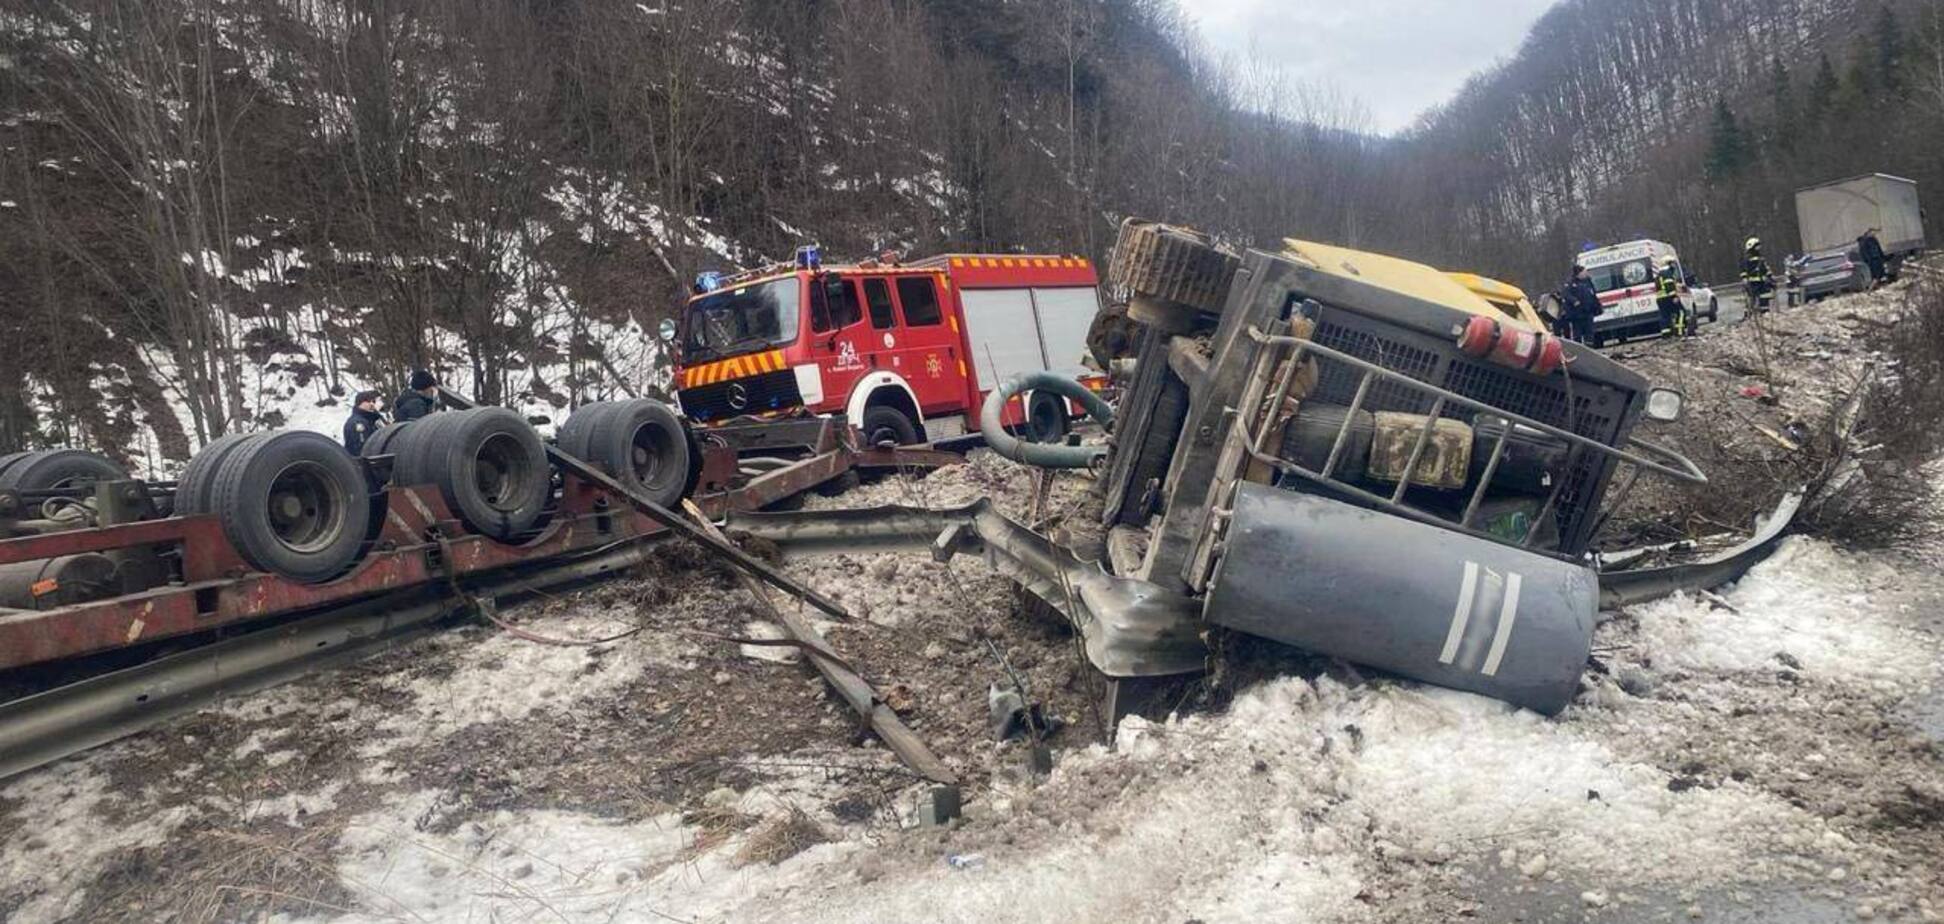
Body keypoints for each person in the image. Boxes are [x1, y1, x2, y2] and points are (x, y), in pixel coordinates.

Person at [1560, 264, 1602, 344]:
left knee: (1589, 333)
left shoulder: (1588, 282)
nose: (1586, 273)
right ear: (1579, 273)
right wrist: (1574, 301)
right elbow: (1566, 294)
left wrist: (1597, 306)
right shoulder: (1571, 283)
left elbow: (1593, 294)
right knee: (1577, 334)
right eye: (1584, 272)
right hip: (1577, 314)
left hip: (1588, 312)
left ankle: (1590, 347)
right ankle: (1579, 349)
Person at [1654, 256, 1690, 338]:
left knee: (1665, 315)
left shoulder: (1659, 274)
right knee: (1681, 312)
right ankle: (1679, 331)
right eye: (1672, 263)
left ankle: (1666, 333)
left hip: (1660, 298)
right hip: (1669, 297)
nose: (1674, 265)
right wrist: (1674, 296)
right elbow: (1669, 285)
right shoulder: (1667, 273)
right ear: (1669, 263)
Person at [342, 390, 385, 454]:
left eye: (373, 401)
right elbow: (362, 450)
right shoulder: (357, 423)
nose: (372, 404)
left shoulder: (372, 420)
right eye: (368, 401)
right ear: (359, 403)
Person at [1740, 238, 1774, 315]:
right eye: (1757, 246)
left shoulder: (1761, 259)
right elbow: (1743, 270)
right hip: (1752, 284)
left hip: (1762, 283)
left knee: (1764, 298)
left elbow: (1766, 269)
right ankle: (1749, 315)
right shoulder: (1747, 259)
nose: (1759, 248)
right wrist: (1745, 279)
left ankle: (1765, 313)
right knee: (1751, 299)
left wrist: (1770, 278)